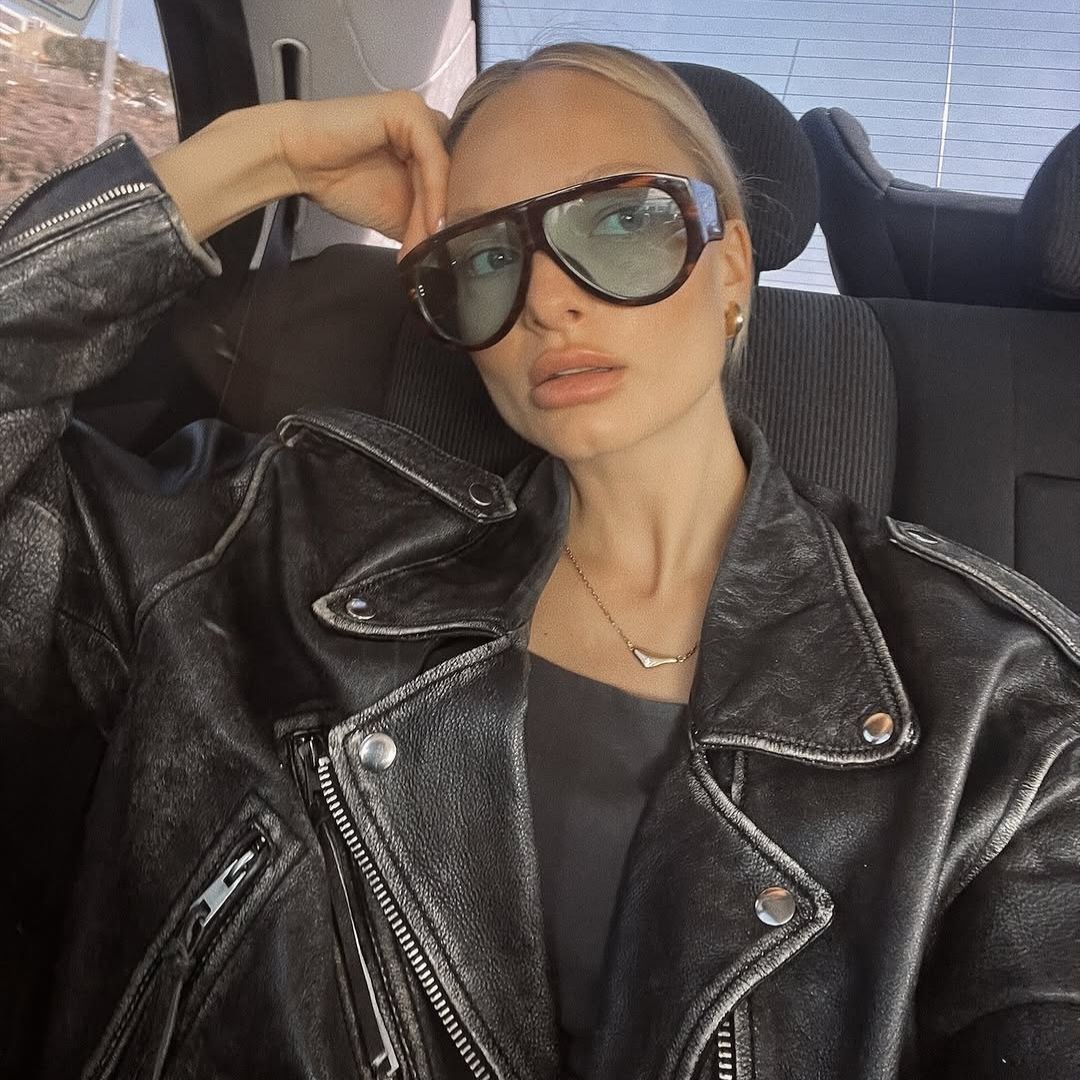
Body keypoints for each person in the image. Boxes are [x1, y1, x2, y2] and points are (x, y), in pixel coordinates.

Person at [1, 39, 1078, 1080]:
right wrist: (256, 155)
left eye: (623, 220)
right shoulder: (286, 537)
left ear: (732, 269)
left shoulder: (997, 707)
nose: (548, 301)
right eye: (484, 258)